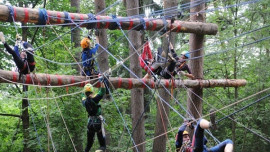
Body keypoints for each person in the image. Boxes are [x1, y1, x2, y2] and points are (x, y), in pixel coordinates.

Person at [82, 79, 107, 152]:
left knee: (89, 145)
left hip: (90, 124)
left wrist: (85, 84)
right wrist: (101, 82)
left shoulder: (85, 102)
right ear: (92, 91)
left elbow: (83, 95)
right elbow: (102, 91)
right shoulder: (95, 99)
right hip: (98, 123)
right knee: (103, 145)